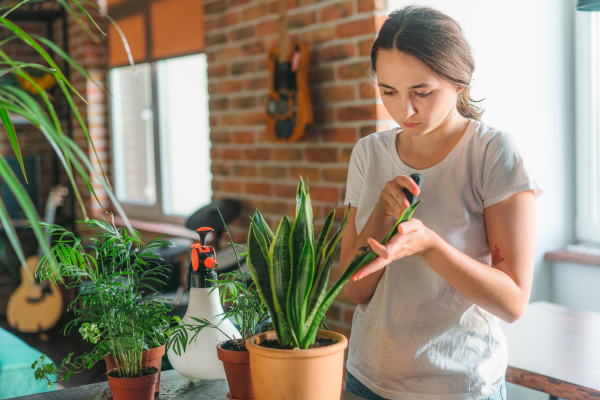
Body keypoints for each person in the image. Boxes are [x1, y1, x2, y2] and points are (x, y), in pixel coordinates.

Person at [340, 5, 542, 400]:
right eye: (388, 92)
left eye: (422, 92)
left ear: (459, 82)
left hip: (459, 387)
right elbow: (354, 291)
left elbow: (513, 301)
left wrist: (430, 246)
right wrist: (382, 214)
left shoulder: (492, 152)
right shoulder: (368, 153)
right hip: (366, 380)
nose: (404, 110)